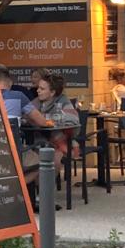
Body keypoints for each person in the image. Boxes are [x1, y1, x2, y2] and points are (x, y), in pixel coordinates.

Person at [24, 71, 77, 202]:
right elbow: (24, 117)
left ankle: (44, 197)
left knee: (54, 159)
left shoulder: (63, 101)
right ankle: (34, 195)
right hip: (37, 141)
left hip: (60, 141)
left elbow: (73, 121)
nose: (38, 91)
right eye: (38, 88)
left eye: (42, 89)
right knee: (30, 159)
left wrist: (46, 120)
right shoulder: (35, 102)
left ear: (52, 92)